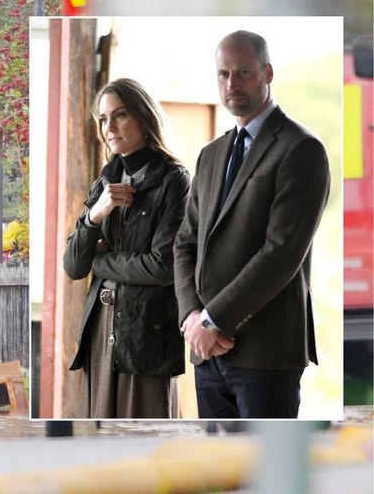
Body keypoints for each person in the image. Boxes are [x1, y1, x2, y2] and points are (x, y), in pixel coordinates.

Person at [174, 30, 330, 419]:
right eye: (223, 74)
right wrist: (193, 317)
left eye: (243, 73)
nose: (232, 85)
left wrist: (214, 320)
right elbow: (184, 244)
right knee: (218, 473)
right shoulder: (210, 155)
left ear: (268, 73)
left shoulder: (300, 149)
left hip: (267, 353)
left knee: (266, 472)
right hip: (206, 353)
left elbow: (281, 254)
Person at [63, 78, 190, 418]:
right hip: (100, 327)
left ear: (144, 118)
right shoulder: (105, 181)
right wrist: (95, 215)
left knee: (148, 433)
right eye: (104, 119)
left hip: (146, 332)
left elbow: (163, 266)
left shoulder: (173, 181)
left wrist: (101, 262)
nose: (109, 127)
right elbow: (74, 266)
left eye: (120, 115)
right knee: (100, 437)